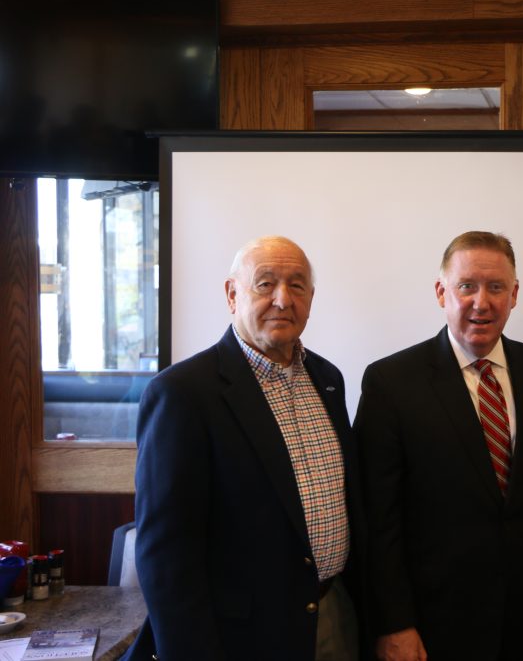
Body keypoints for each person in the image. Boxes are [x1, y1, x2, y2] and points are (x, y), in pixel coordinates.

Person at [126, 236, 364, 661]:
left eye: (296, 285)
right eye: (265, 283)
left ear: (311, 298)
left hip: (334, 617)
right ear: (232, 294)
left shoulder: (328, 379)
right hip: (242, 638)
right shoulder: (183, 394)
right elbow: (166, 559)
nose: (282, 299)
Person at [354, 231, 523, 661]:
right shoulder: (391, 382)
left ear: (514, 295)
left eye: (496, 288)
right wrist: (394, 623)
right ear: (442, 292)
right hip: (432, 626)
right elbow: (378, 518)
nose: (482, 302)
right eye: (467, 286)